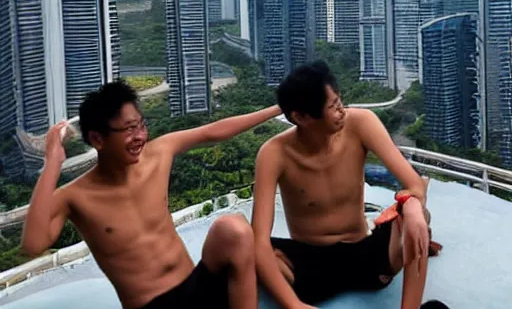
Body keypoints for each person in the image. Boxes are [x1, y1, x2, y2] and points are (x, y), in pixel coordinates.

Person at [21, 80, 282, 309]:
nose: (140, 136)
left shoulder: (159, 153)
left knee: (234, 228)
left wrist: (278, 108)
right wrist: (53, 161)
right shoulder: (75, 196)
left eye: (141, 125)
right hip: (152, 304)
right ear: (98, 139)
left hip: (194, 286)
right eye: (128, 130)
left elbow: (213, 131)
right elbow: (33, 245)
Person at [252, 61, 433, 309]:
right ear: (301, 117)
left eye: (340, 102)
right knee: (245, 249)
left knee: (417, 214)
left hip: (367, 254)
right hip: (310, 264)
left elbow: (414, 183)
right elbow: (259, 239)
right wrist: (293, 305)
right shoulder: (273, 154)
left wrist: (412, 208)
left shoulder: (361, 123)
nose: (342, 111)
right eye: (333, 107)